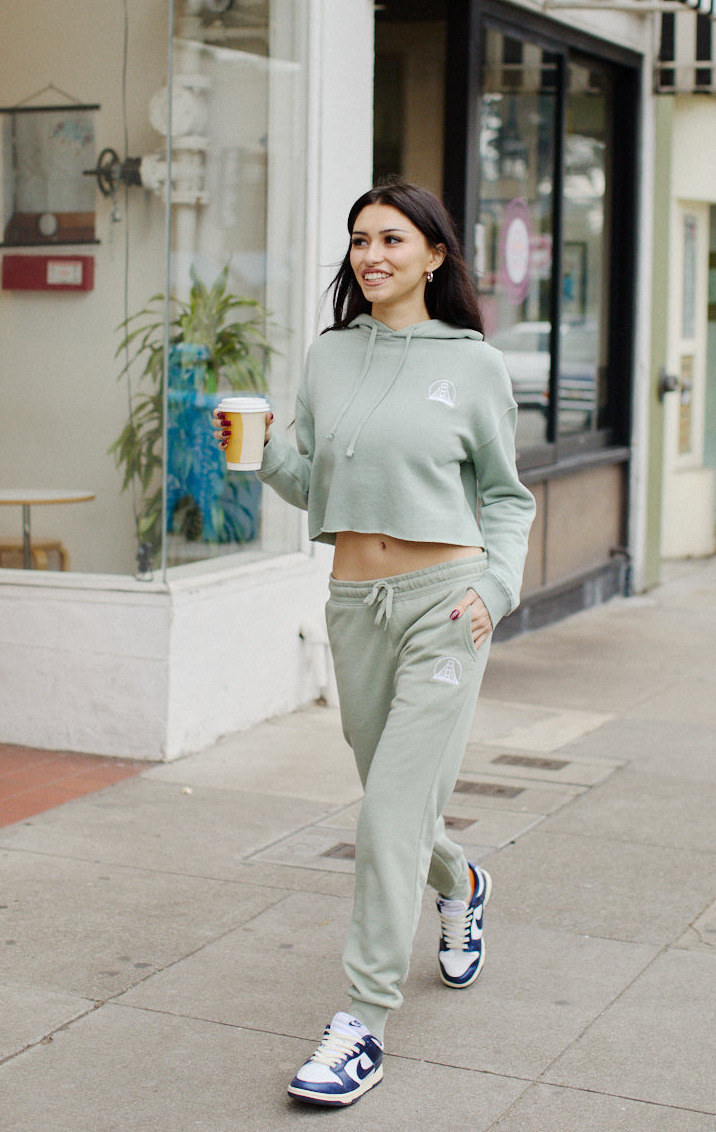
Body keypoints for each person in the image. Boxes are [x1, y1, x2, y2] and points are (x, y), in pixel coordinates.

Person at [213, 179, 536, 1107]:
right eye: (360, 240)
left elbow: (506, 497)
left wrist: (493, 590)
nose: (372, 254)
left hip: (446, 607)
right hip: (355, 605)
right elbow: (315, 482)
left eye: (392, 238)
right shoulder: (330, 356)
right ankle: (461, 880)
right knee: (389, 796)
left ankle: (362, 1022)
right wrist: (258, 451)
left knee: (387, 812)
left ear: (434, 255)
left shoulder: (474, 365)